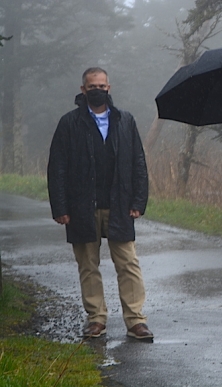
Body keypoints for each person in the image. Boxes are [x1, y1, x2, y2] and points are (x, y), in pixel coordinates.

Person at [47, 67, 153, 340]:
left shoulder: (124, 121)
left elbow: (138, 162)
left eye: (103, 86)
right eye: (92, 86)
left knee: (128, 263)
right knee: (88, 265)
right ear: (83, 89)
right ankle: (96, 318)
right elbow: (57, 167)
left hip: (120, 204)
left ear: (109, 88)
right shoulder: (69, 123)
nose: (98, 90)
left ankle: (136, 321)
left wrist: (139, 200)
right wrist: (60, 207)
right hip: (81, 206)